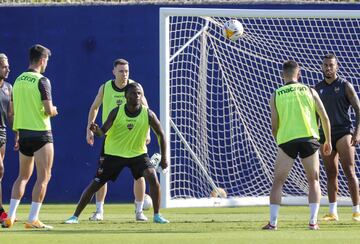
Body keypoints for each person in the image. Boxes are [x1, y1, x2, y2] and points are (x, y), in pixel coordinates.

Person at [65, 82, 169, 224]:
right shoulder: (116, 111)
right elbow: (103, 132)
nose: (137, 96)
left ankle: (157, 215)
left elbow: (161, 134)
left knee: (152, 178)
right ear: (126, 96)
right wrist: (96, 131)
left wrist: (164, 158)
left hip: (138, 154)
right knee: (95, 184)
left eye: (139, 93)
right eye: (133, 93)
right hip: (114, 154)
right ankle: (75, 216)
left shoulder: (148, 113)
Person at [263, 60, 332, 230]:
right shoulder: (310, 90)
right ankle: (313, 222)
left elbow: (274, 125)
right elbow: (324, 117)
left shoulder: (276, 94)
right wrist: (328, 141)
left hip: (287, 140)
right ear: (299, 73)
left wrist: (278, 140)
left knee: (278, 182)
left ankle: (273, 223)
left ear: (282, 75)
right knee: (313, 180)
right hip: (309, 139)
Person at [2, 44, 58, 229]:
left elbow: (13, 111)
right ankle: (33, 218)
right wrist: (54, 110)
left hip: (24, 134)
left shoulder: (17, 80)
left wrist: (17, 133)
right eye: (47, 60)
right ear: (42, 60)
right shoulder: (42, 81)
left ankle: (10, 216)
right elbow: (49, 110)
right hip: (41, 134)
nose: (47, 63)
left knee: (22, 177)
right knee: (44, 177)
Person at [86, 58, 149, 221]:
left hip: (134, 139)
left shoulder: (136, 87)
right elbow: (94, 108)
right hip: (112, 140)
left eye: (127, 71)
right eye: (121, 71)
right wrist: (89, 130)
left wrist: (147, 133)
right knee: (102, 176)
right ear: (114, 72)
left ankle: (139, 211)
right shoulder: (106, 87)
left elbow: (147, 111)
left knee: (139, 175)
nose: (124, 74)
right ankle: (99, 211)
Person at [315, 53, 360, 222]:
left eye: (331, 65)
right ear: (322, 67)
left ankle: (357, 211)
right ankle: (333, 212)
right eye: (325, 65)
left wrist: (357, 132)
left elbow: (358, 109)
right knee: (330, 173)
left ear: (337, 67)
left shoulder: (344, 85)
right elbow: (315, 116)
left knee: (349, 171)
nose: (328, 68)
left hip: (344, 133)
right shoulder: (317, 88)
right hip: (325, 136)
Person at [0, 53, 13, 223]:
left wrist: (17, 132)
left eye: (7, 65)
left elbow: (10, 114)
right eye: (4, 66)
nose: (8, 69)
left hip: (2, 134)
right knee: (0, 169)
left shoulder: (9, 87)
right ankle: (1, 211)